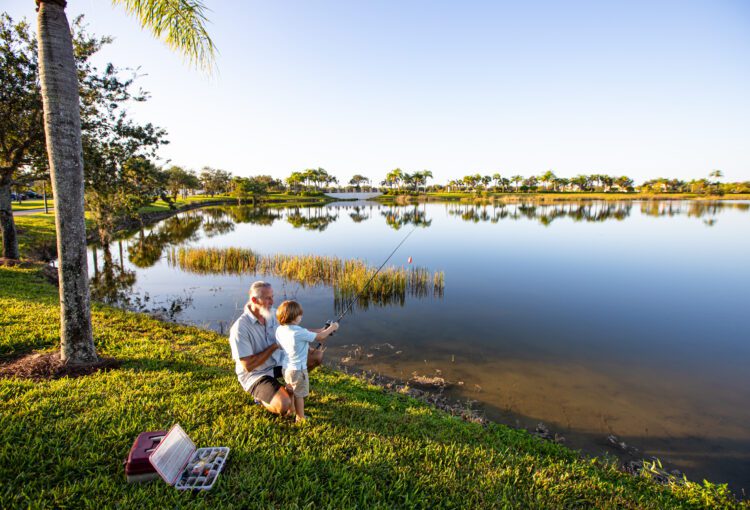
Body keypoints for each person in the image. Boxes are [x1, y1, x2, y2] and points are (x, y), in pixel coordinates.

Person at [228, 281, 324, 416]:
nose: (272, 301)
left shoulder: (273, 313)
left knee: (317, 356)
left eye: (272, 297)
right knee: (285, 405)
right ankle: (261, 398)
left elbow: (294, 330)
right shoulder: (240, 329)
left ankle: (293, 385)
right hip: (257, 374)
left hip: (280, 363)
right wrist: (274, 346)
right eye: (268, 298)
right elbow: (248, 366)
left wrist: (320, 332)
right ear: (255, 300)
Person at [275, 300, 338, 422]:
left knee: (291, 389)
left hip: (286, 367)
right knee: (300, 394)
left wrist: (307, 346)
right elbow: (320, 337)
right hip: (298, 370)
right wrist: (332, 328)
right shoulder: (299, 332)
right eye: (300, 315)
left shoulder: (280, 330)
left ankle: (291, 409)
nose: (301, 316)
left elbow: (290, 343)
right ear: (294, 318)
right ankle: (300, 417)